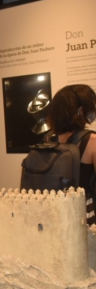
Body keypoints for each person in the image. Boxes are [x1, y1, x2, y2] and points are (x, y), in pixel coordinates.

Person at [47, 84, 96, 225]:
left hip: (54, 214)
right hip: (82, 216)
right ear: (81, 110)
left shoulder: (47, 139)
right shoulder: (91, 141)